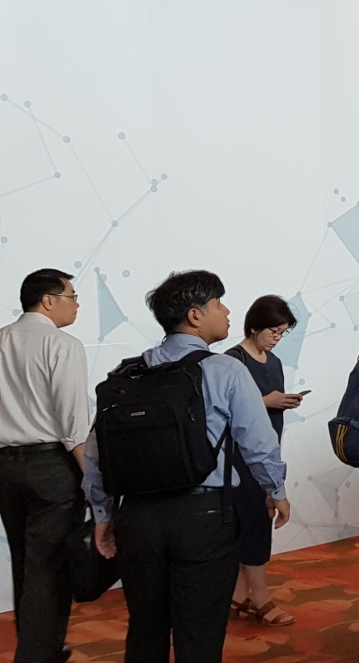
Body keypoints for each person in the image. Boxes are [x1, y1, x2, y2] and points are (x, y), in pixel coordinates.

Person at [84, 270, 289, 663]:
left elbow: (97, 453)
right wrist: (275, 491)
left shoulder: (127, 373)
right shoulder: (225, 370)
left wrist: (103, 514)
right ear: (195, 315)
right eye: (218, 303)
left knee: (145, 630)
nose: (227, 312)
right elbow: (258, 442)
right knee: (199, 633)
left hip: (137, 518)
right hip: (203, 517)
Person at [0, 269, 88, 663]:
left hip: (4, 468)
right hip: (51, 466)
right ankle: (37, 655)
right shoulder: (62, 344)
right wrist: (95, 480)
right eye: (72, 296)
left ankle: (44, 646)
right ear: (48, 300)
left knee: (25, 562)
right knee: (48, 568)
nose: (77, 304)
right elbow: (74, 425)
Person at [224, 295, 303, 628]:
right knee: (254, 526)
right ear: (254, 326)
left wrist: (280, 402)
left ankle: (239, 596)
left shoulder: (274, 362)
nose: (277, 338)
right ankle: (260, 599)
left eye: (283, 333)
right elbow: (223, 411)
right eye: (273, 331)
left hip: (267, 452)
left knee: (254, 525)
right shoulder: (232, 361)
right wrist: (265, 401)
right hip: (239, 459)